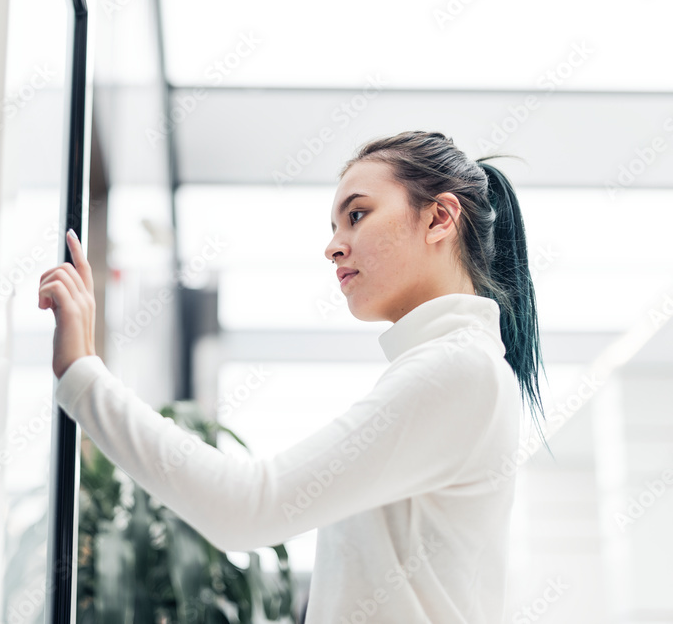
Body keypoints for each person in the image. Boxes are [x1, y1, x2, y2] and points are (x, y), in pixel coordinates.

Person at [37, 130, 548, 623]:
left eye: (356, 215)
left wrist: (82, 374)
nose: (334, 247)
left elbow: (248, 507)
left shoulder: (457, 368)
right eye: (334, 228)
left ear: (439, 218)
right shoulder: (458, 365)